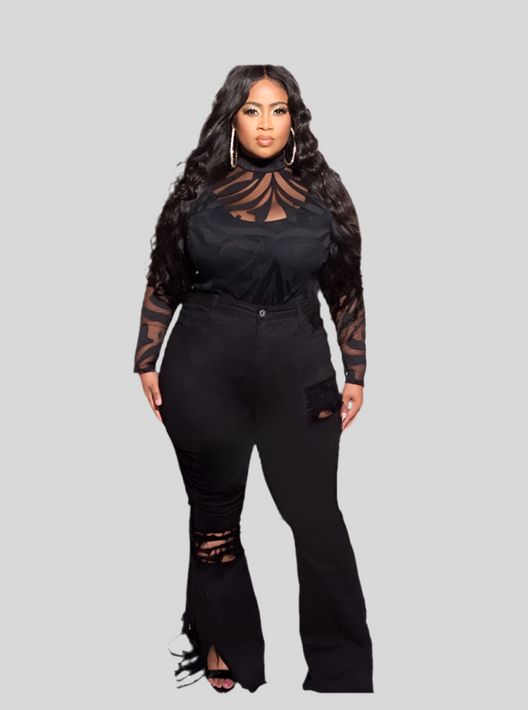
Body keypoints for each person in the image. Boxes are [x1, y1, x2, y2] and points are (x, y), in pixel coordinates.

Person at [133, 64, 373, 694]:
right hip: (204, 366)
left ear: (294, 119)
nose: (266, 124)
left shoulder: (324, 193)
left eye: (278, 110)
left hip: (301, 368)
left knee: (317, 521)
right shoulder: (196, 192)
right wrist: (146, 357)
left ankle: (342, 670)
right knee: (215, 520)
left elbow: (345, 286)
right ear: (232, 119)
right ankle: (223, 643)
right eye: (252, 110)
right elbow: (165, 277)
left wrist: (355, 370)